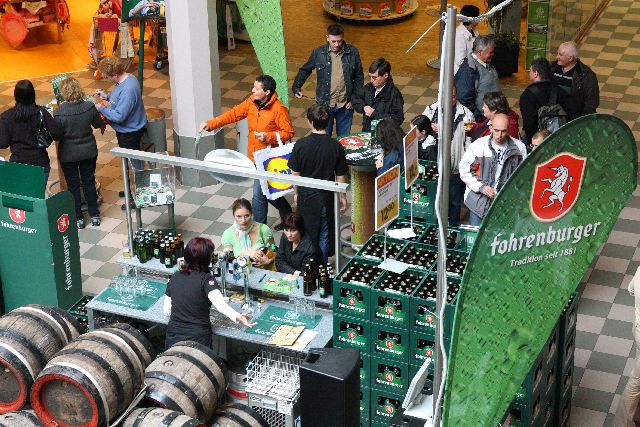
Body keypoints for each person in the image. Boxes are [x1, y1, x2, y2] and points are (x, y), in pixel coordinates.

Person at [200, 75, 294, 229]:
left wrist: (268, 136)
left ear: (267, 92)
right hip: (254, 157)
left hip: (268, 160)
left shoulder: (279, 109)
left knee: (258, 195)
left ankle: (258, 231)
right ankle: (287, 214)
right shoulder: (251, 102)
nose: (252, 90)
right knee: (266, 190)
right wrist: (211, 124)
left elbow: (288, 132)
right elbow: (233, 114)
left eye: (257, 88)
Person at [163, 237, 256, 349]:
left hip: (173, 338)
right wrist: (239, 317)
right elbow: (220, 305)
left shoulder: (175, 276)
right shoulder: (206, 279)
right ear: (206, 259)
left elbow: (167, 310)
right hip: (197, 340)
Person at [288, 104, 348, 263]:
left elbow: (295, 175)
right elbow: (341, 175)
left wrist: (296, 193)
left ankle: (308, 265)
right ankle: (322, 267)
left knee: (307, 234)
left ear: (310, 122)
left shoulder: (301, 145)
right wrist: (342, 197)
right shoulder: (336, 146)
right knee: (324, 234)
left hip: (306, 197)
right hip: (326, 198)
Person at [292, 24, 364, 137]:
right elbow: (305, 70)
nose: (336, 44)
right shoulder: (318, 52)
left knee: (344, 139)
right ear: (327, 38)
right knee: (323, 138)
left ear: (343, 37)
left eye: (339, 41)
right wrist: (296, 86)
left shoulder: (353, 52)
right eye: (333, 41)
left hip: (345, 105)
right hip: (324, 106)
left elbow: (359, 77)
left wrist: (355, 99)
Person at [95, 57, 147, 209]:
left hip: (130, 132)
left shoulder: (128, 89)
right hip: (128, 129)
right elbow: (119, 99)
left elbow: (119, 116)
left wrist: (101, 108)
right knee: (130, 162)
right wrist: (107, 96)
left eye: (107, 76)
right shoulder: (127, 79)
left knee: (135, 164)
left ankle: (139, 196)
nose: (106, 79)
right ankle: (132, 189)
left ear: (114, 74)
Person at [54, 77, 105, 229]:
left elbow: (56, 135)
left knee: (73, 185)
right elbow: (98, 124)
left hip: (68, 154)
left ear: (64, 92)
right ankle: (94, 215)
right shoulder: (89, 107)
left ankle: (78, 218)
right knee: (89, 181)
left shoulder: (59, 112)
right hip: (88, 151)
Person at [459, 113, 527, 226]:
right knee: (476, 235)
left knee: (499, 235)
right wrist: (481, 187)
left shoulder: (519, 148)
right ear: (490, 128)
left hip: (505, 205)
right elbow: (465, 170)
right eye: (496, 130)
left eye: (503, 131)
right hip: (478, 203)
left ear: (508, 129)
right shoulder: (478, 146)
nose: (499, 135)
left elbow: (522, 177)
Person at [422, 84, 475, 226]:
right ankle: (435, 227)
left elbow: (469, 140)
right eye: (446, 96)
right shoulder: (430, 110)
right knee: (433, 198)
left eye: (453, 96)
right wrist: (429, 128)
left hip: (454, 167)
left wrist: (465, 162)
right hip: (434, 164)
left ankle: (453, 228)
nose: (450, 99)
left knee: (454, 201)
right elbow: (419, 131)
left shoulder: (466, 115)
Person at [0, 80, 62, 186]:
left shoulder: (7, 116)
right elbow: (57, 134)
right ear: (33, 94)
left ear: (16, 96)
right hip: (40, 163)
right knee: (38, 195)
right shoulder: (41, 112)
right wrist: (45, 136)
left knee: (22, 195)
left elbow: (3, 143)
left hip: (18, 164)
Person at [614, 266, 640, 427]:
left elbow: (631, 289)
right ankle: (622, 423)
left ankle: (636, 416)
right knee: (636, 381)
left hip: (637, 327)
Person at [220, 198, 277, 270]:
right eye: (239, 216)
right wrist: (245, 254)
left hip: (264, 271)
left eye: (246, 216)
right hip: (239, 273)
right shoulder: (228, 234)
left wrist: (269, 261)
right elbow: (228, 263)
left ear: (251, 214)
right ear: (234, 216)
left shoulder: (264, 230)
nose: (243, 220)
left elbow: (274, 251)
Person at [519, 57, 565, 145]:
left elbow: (529, 124)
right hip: (558, 138)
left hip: (536, 141)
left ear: (536, 73)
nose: (529, 72)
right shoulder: (560, 91)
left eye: (530, 70)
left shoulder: (528, 95)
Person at [351, 58, 404, 132]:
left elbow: (398, 119)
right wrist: (363, 107)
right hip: (367, 131)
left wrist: (374, 114)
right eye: (370, 76)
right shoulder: (369, 87)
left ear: (385, 75)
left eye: (375, 77)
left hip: (384, 135)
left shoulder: (395, 95)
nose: (371, 80)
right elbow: (355, 98)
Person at [551, 41, 599, 121]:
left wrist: (581, 122)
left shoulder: (587, 76)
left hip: (573, 119)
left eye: (560, 55)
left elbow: (591, 103)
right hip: (552, 116)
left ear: (570, 58)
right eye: (557, 53)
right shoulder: (552, 68)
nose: (557, 57)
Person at [455, 36, 500, 122]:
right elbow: (464, 99)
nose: (493, 54)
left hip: (492, 116)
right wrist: (479, 118)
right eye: (490, 52)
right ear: (480, 53)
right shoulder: (468, 70)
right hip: (482, 119)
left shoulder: (486, 62)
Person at [454, 5, 480, 75]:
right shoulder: (459, 35)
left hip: (474, 69)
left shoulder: (475, 31)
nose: (479, 19)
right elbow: (460, 62)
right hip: (463, 75)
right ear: (472, 19)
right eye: (478, 17)